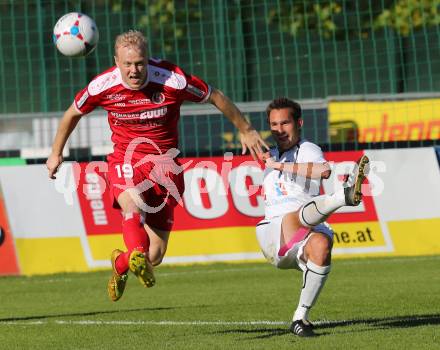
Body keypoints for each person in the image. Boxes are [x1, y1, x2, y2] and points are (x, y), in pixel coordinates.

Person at [46, 30, 268, 302]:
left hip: (165, 168)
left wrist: (245, 129)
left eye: (140, 63)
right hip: (126, 161)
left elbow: (214, 96)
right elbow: (72, 113)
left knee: (154, 256)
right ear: (116, 61)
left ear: (148, 60)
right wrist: (56, 153)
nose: (134, 70)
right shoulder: (102, 86)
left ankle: (122, 262)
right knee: (132, 207)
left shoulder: (172, 79)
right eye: (127, 64)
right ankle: (134, 252)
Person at [256, 97, 369, 337]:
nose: (279, 130)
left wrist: (279, 166)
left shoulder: (307, 149)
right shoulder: (268, 151)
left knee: (322, 244)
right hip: (273, 233)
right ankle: (343, 197)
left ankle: (300, 318)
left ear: (299, 123)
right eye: (274, 124)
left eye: (285, 123)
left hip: (303, 230)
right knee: (294, 217)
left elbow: (323, 170)